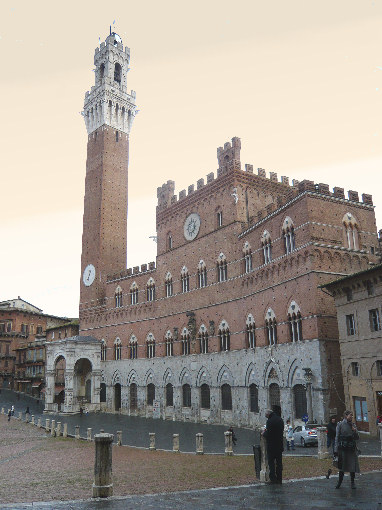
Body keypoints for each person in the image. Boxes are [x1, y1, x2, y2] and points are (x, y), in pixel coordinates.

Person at [334, 410, 360, 489]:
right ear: (346, 416)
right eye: (350, 415)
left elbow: (357, 437)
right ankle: (339, 482)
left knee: (352, 466)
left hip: (351, 448)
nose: (351, 417)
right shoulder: (340, 424)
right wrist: (335, 449)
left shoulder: (353, 425)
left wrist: (354, 431)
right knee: (342, 466)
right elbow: (337, 437)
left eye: (352, 415)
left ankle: (352, 482)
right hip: (343, 448)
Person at [262, 408, 284, 484]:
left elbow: (269, 434)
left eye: (265, 415)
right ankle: (280, 478)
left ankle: (273, 479)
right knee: (279, 463)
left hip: (271, 446)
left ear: (268, 414)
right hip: (280, 445)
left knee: (271, 463)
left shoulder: (269, 421)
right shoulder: (280, 420)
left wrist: (263, 433)